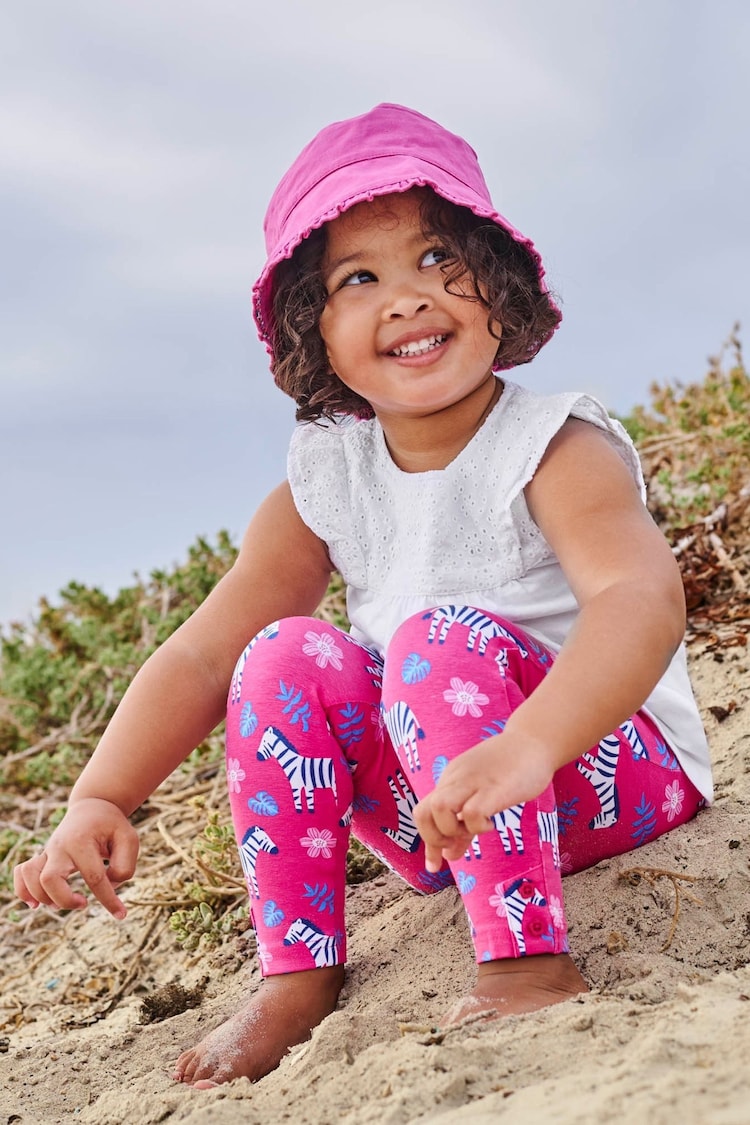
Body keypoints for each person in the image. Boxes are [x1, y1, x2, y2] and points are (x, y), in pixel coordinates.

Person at [13, 103, 712, 1089]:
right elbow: (205, 655)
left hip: (605, 774)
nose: (407, 298)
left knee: (435, 642)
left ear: (498, 288)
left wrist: (530, 744)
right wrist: (100, 797)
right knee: (281, 655)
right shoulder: (328, 479)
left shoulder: (555, 445)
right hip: (450, 813)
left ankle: (528, 963)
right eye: (359, 279)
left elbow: (638, 601)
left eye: (438, 260)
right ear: (315, 332)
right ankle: (298, 977)